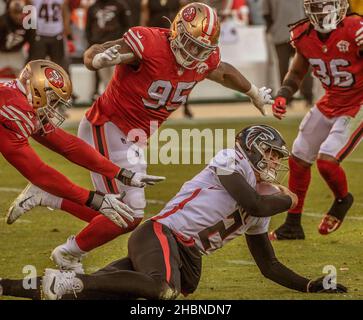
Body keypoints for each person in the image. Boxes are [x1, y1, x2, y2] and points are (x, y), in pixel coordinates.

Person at [8, 2, 274, 273]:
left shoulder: (202, 59)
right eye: (190, 43)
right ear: (176, 30)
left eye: (200, 48)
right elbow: (96, 52)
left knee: (123, 213)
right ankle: (68, 253)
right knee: (129, 213)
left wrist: (252, 91)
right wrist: (96, 60)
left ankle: (51, 200)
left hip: (133, 139)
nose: (193, 53)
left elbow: (223, 71)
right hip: (108, 124)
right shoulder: (149, 42)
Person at [0, 125, 348, 300]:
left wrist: (309, 286)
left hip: (182, 253)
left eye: (277, 157)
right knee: (159, 288)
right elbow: (254, 203)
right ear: (252, 149)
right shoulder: (232, 161)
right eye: (270, 153)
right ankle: (68, 280)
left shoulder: (265, 201)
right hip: (160, 235)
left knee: (97, 296)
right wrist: (290, 200)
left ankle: (10, 286)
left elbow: (268, 264)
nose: (275, 162)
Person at [1, 59, 165, 267]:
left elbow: (67, 145)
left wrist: (121, 173)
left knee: (125, 215)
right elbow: (38, 173)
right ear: (36, 90)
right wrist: (93, 199)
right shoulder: (15, 109)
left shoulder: (20, 100)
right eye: (52, 98)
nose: (53, 107)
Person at [270, 0, 363, 240]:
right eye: (317, 6)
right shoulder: (303, 34)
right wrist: (283, 94)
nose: (323, 11)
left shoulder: (355, 27)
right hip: (330, 100)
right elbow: (297, 71)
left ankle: (343, 200)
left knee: (327, 161)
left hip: (358, 103)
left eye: (327, 5)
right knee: (299, 156)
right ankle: (293, 223)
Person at [262, 0, 314, 107]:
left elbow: (266, 14)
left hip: (296, 32)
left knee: (300, 66)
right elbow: (266, 13)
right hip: (286, 32)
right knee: (287, 67)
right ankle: (288, 98)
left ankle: (306, 96)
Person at [85, 0, 132, 97]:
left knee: (117, 75)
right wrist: (92, 43)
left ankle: (119, 97)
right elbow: (88, 28)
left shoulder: (120, 5)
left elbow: (127, 25)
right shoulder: (92, 7)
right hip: (100, 47)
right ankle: (107, 96)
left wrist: (122, 42)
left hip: (116, 46)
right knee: (105, 78)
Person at [28, 0, 72, 71]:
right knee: (36, 67)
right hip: (40, 35)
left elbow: (65, 11)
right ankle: (36, 82)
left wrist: (66, 29)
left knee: (60, 67)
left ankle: (61, 81)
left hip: (57, 34)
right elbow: (28, 9)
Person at [0, 0, 32, 79]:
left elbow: (33, 43)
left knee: (23, 77)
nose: (18, 16)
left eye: (21, 12)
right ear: (9, 12)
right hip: (1, 52)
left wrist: (29, 62)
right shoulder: (2, 21)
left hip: (17, 52)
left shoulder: (29, 22)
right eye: (15, 12)